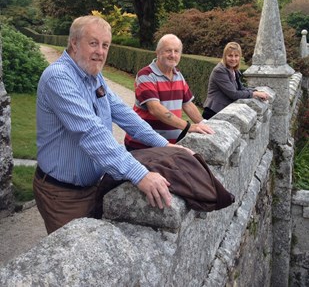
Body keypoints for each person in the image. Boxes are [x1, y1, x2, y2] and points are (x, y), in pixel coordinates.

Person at [34, 16, 191, 234]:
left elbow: (126, 115)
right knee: (75, 261)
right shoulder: (58, 78)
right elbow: (91, 132)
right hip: (63, 195)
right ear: (74, 43)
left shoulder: (92, 76)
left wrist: (165, 145)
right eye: (93, 43)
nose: (100, 51)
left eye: (105, 45)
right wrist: (141, 175)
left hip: (91, 188)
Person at [125, 34, 214, 150]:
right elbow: (155, 109)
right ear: (158, 52)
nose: (173, 55)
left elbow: (187, 104)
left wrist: (203, 124)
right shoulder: (146, 75)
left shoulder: (178, 75)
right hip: (143, 146)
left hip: (168, 146)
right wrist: (189, 127)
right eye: (168, 51)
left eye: (176, 51)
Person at [202, 42, 269, 119]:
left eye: (236, 56)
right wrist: (254, 94)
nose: (233, 59)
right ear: (225, 56)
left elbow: (241, 88)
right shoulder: (219, 71)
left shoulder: (233, 69)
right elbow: (234, 94)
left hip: (222, 111)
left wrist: (256, 91)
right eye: (230, 55)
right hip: (213, 112)